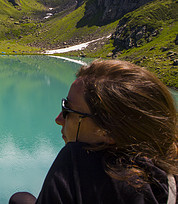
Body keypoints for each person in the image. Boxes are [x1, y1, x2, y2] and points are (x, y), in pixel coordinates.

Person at [10, 59, 177, 204]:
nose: (59, 119)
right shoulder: (167, 174)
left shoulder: (76, 163)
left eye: (68, 109)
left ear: (108, 130)